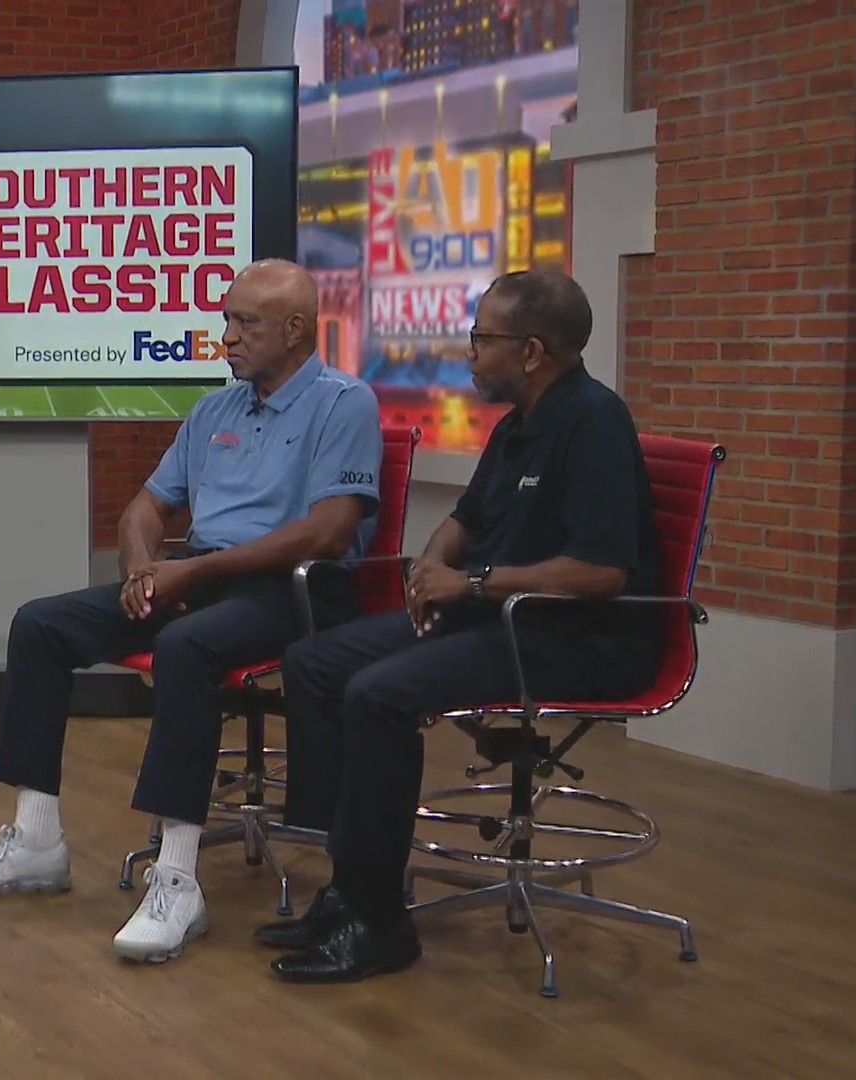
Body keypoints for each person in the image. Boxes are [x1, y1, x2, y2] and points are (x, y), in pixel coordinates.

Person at [0, 259, 385, 962]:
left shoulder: (343, 403)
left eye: (246, 323)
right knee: (41, 625)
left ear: (297, 330)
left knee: (186, 645)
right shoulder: (215, 410)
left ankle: (177, 880)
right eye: (227, 320)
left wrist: (191, 572)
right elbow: (145, 506)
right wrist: (143, 569)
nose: (227, 337)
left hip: (293, 592)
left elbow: (329, 532)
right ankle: (37, 839)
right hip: (199, 576)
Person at [259, 268, 663, 984]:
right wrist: (433, 563)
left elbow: (601, 572)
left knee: (379, 695)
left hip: (579, 639)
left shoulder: (594, 422)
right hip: (497, 619)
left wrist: (472, 583)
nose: (470, 353)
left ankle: (379, 923)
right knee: (315, 662)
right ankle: (347, 882)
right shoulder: (517, 427)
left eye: (482, 339)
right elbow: (466, 518)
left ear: (531, 352)